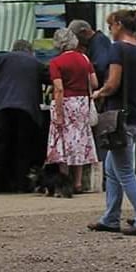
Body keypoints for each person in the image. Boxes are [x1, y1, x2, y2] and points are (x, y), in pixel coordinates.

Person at [88, 8, 136, 235]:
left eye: (110, 26)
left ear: (118, 24)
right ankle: (110, 217)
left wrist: (99, 93)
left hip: (119, 117)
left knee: (125, 170)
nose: (110, 31)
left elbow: (113, 83)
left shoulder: (117, 49)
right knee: (112, 168)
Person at [0, 39, 45, 194]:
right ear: (29, 50)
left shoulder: (3, 58)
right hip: (27, 110)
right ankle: (20, 185)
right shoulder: (36, 62)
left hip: (1, 108)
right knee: (23, 148)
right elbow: (47, 80)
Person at [46, 27, 99, 194]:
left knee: (63, 141)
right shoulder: (84, 58)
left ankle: (65, 181)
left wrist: (59, 114)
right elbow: (95, 83)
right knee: (80, 140)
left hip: (65, 103)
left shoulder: (56, 63)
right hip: (82, 103)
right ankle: (78, 183)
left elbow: (59, 89)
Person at [69, 19, 111, 86]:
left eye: (76, 36)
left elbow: (100, 67)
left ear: (84, 32)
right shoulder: (94, 42)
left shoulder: (99, 41)